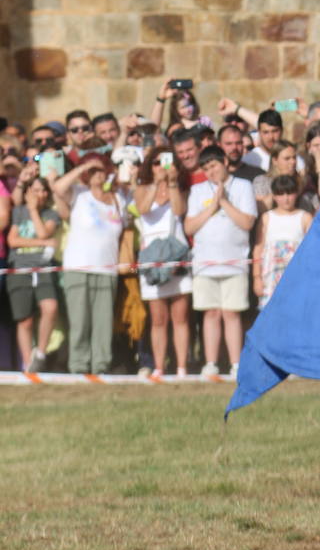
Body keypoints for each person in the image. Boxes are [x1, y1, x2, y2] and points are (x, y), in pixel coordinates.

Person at [184, 145, 257, 380]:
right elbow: (190, 226)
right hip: (205, 262)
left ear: (224, 162)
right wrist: (213, 206)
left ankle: (236, 363)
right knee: (211, 313)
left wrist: (224, 202)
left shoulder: (243, 187)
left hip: (234, 262)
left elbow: (247, 222)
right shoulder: (197, 190)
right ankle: (211, 362)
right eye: (205, 168)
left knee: (232, 313)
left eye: (214, 166)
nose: (211, 172)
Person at [54, 154, 130, 375]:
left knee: (103, 322)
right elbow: (58, 188)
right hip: (78, 267)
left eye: (102, 169)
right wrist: (84, 166)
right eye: (94, 171)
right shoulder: (79, 195)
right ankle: (78, 365)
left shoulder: (117, 199)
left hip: (107, 268)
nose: (98, 174)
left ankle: (101, 365)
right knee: (80, 321)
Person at [132, 147, 191, 378]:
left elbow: (179, 209)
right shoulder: (142, 188)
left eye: (165, 162)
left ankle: (181, 367)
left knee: (180, 316)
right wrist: (156, 184)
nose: (161, 167)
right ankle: (159, 366)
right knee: (158, 318)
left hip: (176, 252)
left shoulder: (181, 188)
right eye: (156, 162)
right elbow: (143, 209)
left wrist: (172, 182)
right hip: (152, 256)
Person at [7, 175, 60, 371]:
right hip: (20, 267)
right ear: (28, 192)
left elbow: (44, 232)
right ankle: (28, 363)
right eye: (36, 190)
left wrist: (33, 210)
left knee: (50, 307)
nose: (41, 194)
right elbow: (13, 241)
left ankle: (40, 353)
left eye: (44, 190)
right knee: (25, 319)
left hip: (43, 268)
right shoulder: (18, 212)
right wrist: (43, 243)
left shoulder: (50, 214)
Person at [252, 174, 312, 307]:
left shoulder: (305, 217)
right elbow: (258, 249)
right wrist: (257, 278)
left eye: (289, 193)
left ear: (296, 194)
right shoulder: (267, 218)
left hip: (297, 277)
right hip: (270, 278)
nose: (286, 198)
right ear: (274, 196)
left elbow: (311, 251)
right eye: (281, 194)